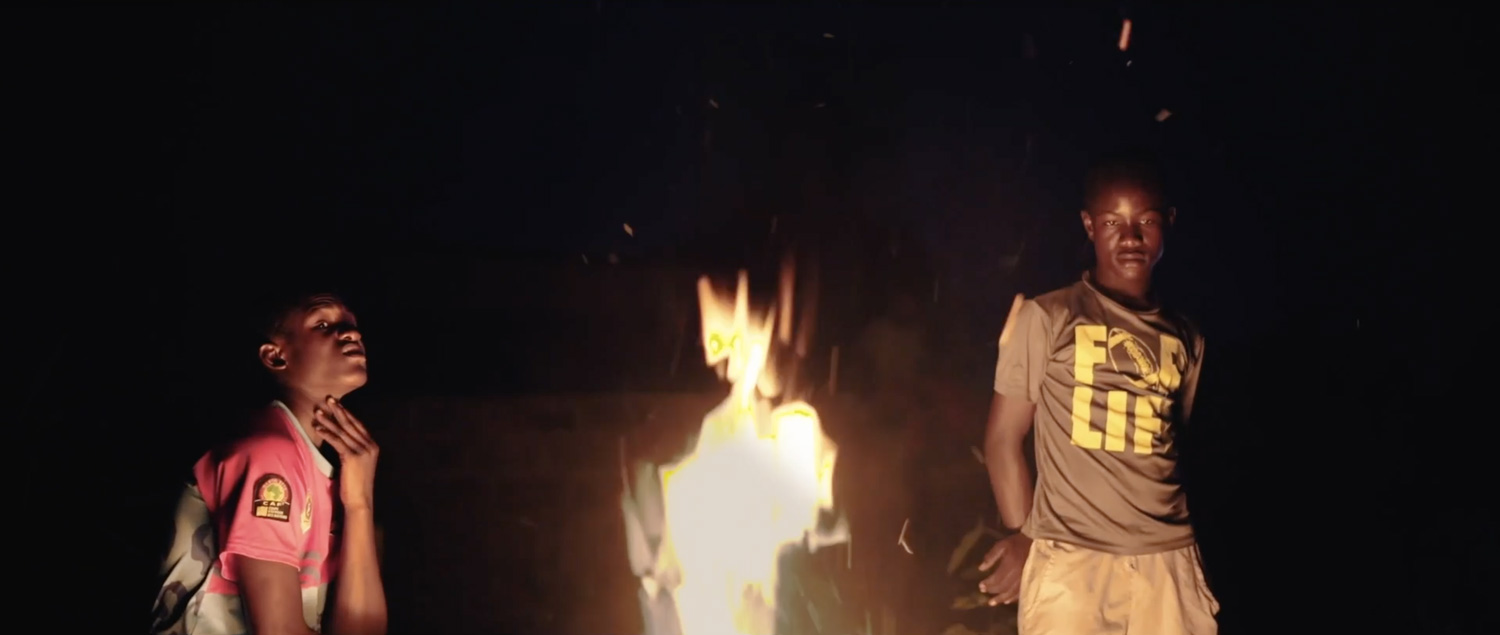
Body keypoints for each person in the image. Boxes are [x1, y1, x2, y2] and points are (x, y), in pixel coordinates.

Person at [976, 152, 1219, 634]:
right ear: (1089, 225)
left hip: (1168, 562)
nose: (1130, 237)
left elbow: (1173, 444)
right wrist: (1024, 535)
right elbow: (1003, 439)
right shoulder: (1047, 316)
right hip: (1073, 562)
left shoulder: (1187, 336)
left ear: (1168, 222)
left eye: (1145, 221)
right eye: (1112, 222)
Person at [150, 292, 388, 635]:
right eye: (323, 324)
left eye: (351, 324)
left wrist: (360, 503)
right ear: (275, 356)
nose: (352, 332)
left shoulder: (326, 471)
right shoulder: (268, 457)